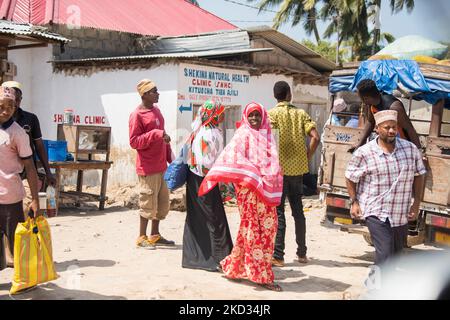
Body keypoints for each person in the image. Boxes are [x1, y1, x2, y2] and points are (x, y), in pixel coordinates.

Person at [198, 102, 283, 291]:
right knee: (254, 229)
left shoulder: (267, 135)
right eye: (251, 115)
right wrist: (253, 175)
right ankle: (262, 275)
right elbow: (233, 159)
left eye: (257, 115)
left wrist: (269, 174)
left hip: (266, 190)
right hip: (248, 190)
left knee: (266, 228)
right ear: (245, 116)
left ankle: (235, 267)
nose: (254, 119)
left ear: (263, 117)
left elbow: (274, 161)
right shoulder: (242, 135)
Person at [345, 110, 426, 267]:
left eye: (394, 127)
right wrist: (354, 201)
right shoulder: (364, 153)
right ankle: (377, 290)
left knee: (395, 257)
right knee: (385, 252)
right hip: (375, 210)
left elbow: (419, 174)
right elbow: (350, 177)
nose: (391, 131)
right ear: (377, 128)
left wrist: (416, 203)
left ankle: (378, 285)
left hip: (400, 212)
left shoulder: (410, 150)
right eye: (387, 127)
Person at [268, 81, 320, 267]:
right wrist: (306, 156)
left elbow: (269, 142)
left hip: (278, 171)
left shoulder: (271, 115)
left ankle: (279, 255)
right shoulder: (300, 114)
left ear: (275, 96)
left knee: (278, 212)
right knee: (298, 211)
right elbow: (316, 137)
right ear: (289, 94)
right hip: (297, 171)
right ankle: (302, 253)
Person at [182, 100, 233, 272]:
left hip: (195, 179)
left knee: (197, 218)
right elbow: (205, 164)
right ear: (214, 115)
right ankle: (218, 259)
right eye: (221, 112)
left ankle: (194, 258)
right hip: (205, 179)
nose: (223, 115)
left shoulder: (200, 130)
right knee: (214, 219)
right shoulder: (209, 134)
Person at [129, 79, 175, 249]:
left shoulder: (156, 111)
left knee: (161, 202)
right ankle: (141, 237)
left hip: (161, 165)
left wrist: (171, 158)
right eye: (154, 91)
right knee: (147, 202)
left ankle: (154, 235)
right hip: (148, 167)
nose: (158, 93)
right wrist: (155, 134)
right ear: (145, 95)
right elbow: (134, 142)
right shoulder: (137, 115)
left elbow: (162, 136)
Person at [0, 86, 40, 271]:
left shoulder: (18, 133)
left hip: (11, 198)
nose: (6, 110)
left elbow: (30, 167)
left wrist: (35, 200)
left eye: (10, 106)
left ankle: (24, 281)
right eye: (1, 105)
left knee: (16, 244)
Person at [1, 81, 56, 187]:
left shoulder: (30, 119)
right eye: (12, 100)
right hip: (4, 175)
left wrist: (48, 172)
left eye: (18, 100)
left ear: (21, 99)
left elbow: (39, 146)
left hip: (27, 174)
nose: (15, 104)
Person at [350, 79, 421, 152]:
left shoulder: (394, 107)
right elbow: (371, 122)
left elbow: (409, 128)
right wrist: (360, 144)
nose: (361, 101)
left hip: (403, 145)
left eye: (361, 98)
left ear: (366, 98)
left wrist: (419, 151)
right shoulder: (370, 105)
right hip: (388, 144)